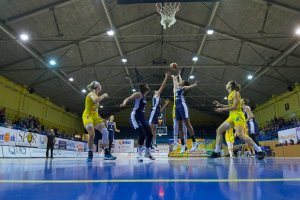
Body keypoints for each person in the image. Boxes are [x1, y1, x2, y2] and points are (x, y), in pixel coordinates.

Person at [210, 81, 265, 160]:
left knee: (240, 135)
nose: (226, 84)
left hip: (238, 116)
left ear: (231, 86)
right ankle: (216, 152)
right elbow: (230, 106)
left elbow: (235, 107)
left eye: (228, 83)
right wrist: (220, 104)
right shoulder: (230, 95)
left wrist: (222, 109)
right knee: (219, 130)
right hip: (232, 116)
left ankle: (260, 151)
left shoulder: (236, 93)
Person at [82, 81, 116, 161]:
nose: (101, 85)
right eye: (100, 84)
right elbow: (96, 100)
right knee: (92, 134)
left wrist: (101, 119)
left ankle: (107, 153)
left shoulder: (96, 95)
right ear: (97, 87)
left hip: (95, 117)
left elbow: (96, 111)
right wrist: (104, 95)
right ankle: (90, 154)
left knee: (105, 132)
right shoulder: (91, 94)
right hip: (88, 116)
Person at [120, 83, 154, 162]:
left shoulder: (144, 97)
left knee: (150, 134)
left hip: (142, 117)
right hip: (135, 116)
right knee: (142, 134)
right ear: (145, 88)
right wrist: (124, 103)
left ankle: (147, 152)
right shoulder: (138, 94)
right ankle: (139, 154)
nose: (148, 86)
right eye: (147, 86)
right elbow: (128, 98)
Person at [172, 72, 198, 153]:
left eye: (182, 81)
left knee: (187, 124)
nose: (181, 81)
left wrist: (194, 85)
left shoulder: (183, 88)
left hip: (182, 106)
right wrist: (174, 77)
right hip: (177, 108)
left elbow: (188, 87)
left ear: (183, 84)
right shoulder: (177, 89)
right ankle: (183, 145)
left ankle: (194, 143)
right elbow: (176, 83)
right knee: (180, 127)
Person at [148, 72, 170, 151]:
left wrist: (165, 104)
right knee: (150, 128)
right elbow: (162, 86)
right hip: (153, 112)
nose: (158, 91)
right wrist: (166, 77)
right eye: (156, 91)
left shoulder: (158, 102)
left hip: (156, 113)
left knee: (154, 129)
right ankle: (148, 144)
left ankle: (154, 144)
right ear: (154, 93)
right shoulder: (156, 95)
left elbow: (160, 111)